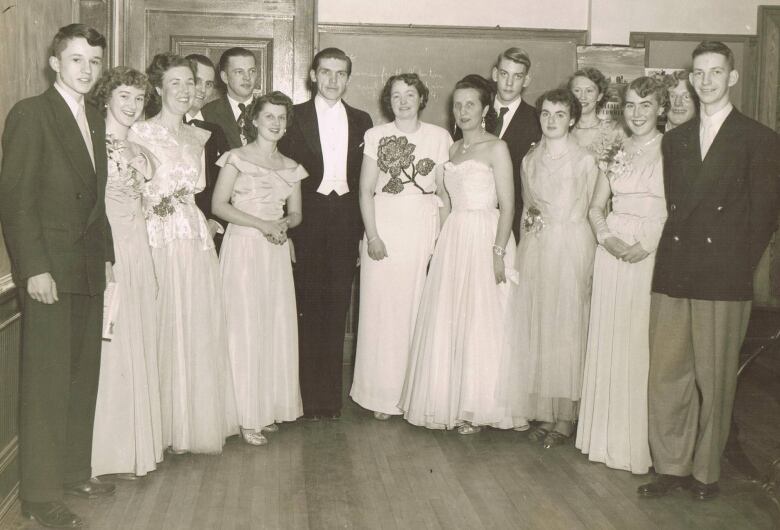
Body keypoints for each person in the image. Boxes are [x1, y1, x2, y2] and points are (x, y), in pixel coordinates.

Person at [639, 41, 779, 501]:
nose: (706, 81)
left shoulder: (758, 138)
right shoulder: (675, 139)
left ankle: (704, 473)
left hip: (722, 274)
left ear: (731, 77)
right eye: (698, 73)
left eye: (715, 72)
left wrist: (735, 265)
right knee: (667, 374)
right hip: (676, 269)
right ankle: (672, 467)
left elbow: (763, 217)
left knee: (714, 379)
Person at [0, 23, 115, 528]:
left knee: (80, 377)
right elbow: (16, 202)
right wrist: (34, 269)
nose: (86, 70)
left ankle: (73, 472)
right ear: (55, 62)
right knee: (47, 384)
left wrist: (107, 256)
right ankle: (40, 496)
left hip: (88, 269)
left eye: (93, 61)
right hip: (50, 271)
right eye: (76, 60)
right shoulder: (31, 114)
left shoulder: (94, 116)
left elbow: (97, 199)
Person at [129, 52, 239, 454]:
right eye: (174, 83)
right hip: (156, 236)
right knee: (160, 325)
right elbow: (131, 191)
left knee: (194, 326)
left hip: (192, 237)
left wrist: (205, 222)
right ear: (158, 88)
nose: (183, 90)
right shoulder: (138, 132)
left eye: (189, 83)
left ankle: (188, 425)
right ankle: (156, 430)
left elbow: (199, 194)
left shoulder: (200, 136)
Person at [400, 74, 518, 434]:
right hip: (455, 237)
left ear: (485, 109)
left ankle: (480, 407)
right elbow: (447, 204)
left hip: (486, 235)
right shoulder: (452, 150)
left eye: (471, 104)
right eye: (458, 104)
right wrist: (439, 247)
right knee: (454, 317)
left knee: (484, 318)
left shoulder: (497, 148)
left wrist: (498, 252)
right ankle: (453, 401)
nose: (463, 111)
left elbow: (509, 206)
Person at [576, 76, 668, 474]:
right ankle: (604, 439)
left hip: (651, 249)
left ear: (660, 109)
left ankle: (638, 445)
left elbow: (674, 206)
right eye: (630, 105)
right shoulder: (612, 147)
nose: (637, 113)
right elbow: (596, 206)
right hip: (612, 250)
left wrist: (645, 244)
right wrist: (607, 238)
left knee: (639, 343)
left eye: (646, 105)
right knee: (610, 335)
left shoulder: (673, 149)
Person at [350, 73, 452, 420]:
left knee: (418, 310)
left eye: (410, 94)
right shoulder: (376, 135)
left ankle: (416, 394)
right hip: (385, 227)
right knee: (383, 313)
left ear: (422, 98)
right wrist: (373, 236)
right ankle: (382, 396)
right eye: (396, 95)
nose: (404, 101)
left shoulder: (439, 137)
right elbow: (365, 191)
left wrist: (442, 239)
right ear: (388, 101)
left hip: (423, 227)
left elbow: (444, 192)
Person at [278, 48, 373, 420]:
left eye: (341, 73)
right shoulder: (294, 117)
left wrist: (364, 232)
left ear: (348, 78)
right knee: (305, 306)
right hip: (307, 219)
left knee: (337, 308)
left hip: (346, 221)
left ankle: (328, 400)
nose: (333, 80)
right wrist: (286, 226)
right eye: (327, 72)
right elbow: (282, 173)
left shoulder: (363, 120)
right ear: (313, 75)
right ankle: (304, 397)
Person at [504, 88, 598, 448]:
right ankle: (544, 411)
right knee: (541, 323)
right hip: (539, 248)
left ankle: (566, 416)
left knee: (568, 326)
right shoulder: (529, 159)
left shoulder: (585, 160)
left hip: (572, 245)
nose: (552, 120)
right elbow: (529, 208)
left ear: (572, 118)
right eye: (546, 113)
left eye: (560, 114)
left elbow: (592, 209)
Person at [213, 91, 306, 445]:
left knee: (272, 325)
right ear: (254, 120)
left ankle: (263, 408)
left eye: (282, 118)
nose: (276, 123)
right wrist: (262, 225)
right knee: (244, 326)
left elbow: (296, 212)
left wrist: (284, 225)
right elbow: (219, 206)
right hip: (244, 247)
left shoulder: (291, 166)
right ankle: (243, 414)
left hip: (274, 250)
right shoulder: (235, 158)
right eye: (269, 117)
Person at [89, 67, 164, 479]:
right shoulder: (95, 143)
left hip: (138, 247)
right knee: (110, 342)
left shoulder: (135, 145)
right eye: (124, 97)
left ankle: (135, 447)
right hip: (110, 248)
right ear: (106, 98)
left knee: (135, 336)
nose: (132, 105)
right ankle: (105, 452)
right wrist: (104, 257)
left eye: (138, 98)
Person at [490, 48, 542, 239]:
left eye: (517, 76)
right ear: (495, 74)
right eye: (504, 74)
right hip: (476, 218)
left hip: (516, 224)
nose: (509, 83)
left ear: (526, 80)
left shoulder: (537, 120)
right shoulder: (474, 114)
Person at [185, 54, 230, 251]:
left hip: (208, 230)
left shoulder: (216, 131)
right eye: (197, 82)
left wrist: (215, 222)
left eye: (209, 84)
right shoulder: (157, 127)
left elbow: (227, 181)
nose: (203, 90)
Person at [202, 47, 258, 149]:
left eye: (252, 71)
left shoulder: (270, 111)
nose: (247, 77)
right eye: (239, 72)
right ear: (225, 77)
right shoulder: (207, 114)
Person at [568, 67, 624, 163]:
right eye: (577, 91)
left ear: (599, 96)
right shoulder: (563, 130)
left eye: (589, 91)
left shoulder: (615, 131)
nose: (582, 96)